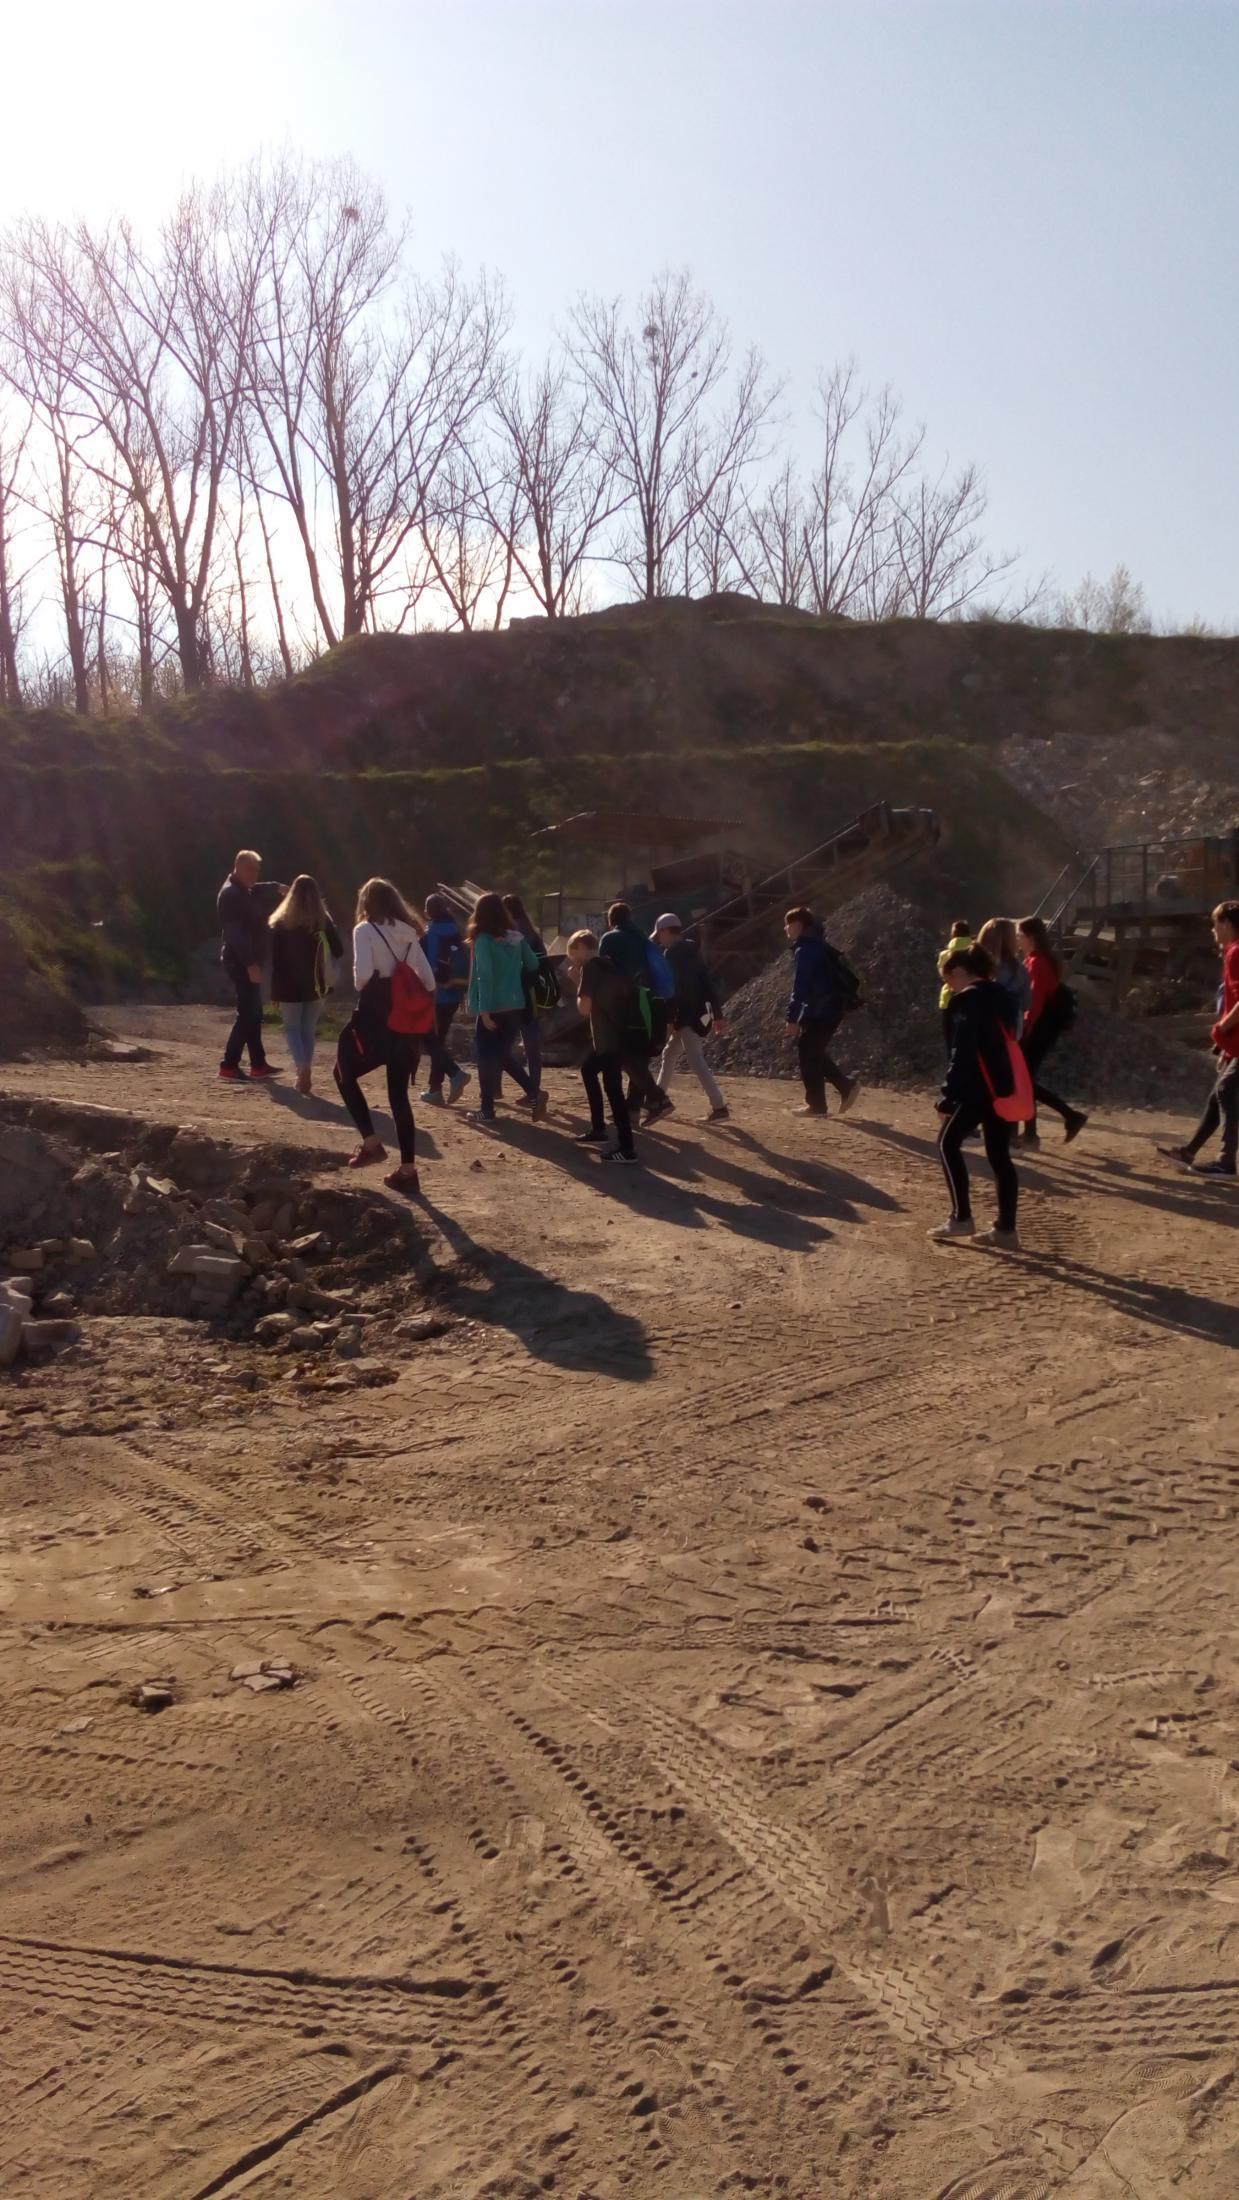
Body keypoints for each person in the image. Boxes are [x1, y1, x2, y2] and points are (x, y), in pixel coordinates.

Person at [334, 877, 435, 1192]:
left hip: (374, 1020)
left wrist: (369, 979)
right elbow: (429, 981)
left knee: (342, 1072)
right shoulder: (409, 934)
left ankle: (371, 1142)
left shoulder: (364, 930)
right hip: (404, 1023)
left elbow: (363, 976)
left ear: (366, 903)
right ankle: (408, 1171)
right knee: (398, 1095)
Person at [930, 944, 1022, 1251]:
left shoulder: (968, 1000)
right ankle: (1006, 1229)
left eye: (948, 981)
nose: (950, 988)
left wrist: (948, 1096)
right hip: (1002, 1086)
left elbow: (963, 1052)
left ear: (959, 972)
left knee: (947, 1145)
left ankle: (961, 1218)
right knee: (999, 1155)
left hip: (978, 1088)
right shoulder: (1003, 996)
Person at [1158, 900, 1239, 1178]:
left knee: (1226, 1090)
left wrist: (1222, 1028)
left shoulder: (1236, 953)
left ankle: (1226, 1162)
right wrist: (1225, 1046)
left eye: (1215, 924)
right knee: (1219, 1094)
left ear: (1226, 924)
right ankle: (1189, 1151)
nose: (1213, 930)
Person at [465, 891, 549, 1125]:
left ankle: (487, 1109)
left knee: (486, 1055)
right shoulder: (516, 937)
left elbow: (484, 977)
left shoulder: (483, 940)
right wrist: (513, 972)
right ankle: (533, 1092)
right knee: (501, 1053)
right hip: (515, 1004)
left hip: (493, 1006)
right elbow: (533, 963)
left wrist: (484, 1011)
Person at [566, 928, 637, 1164]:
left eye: (573, 953)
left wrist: (577, 983)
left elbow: (584, 1008)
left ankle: (627, 1148)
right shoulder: (610, 964)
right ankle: (598, 1129)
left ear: (581, 948)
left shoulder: (590, 967)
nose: (573, 959)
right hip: (619, 1033)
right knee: (588, 1070)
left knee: (614, 1090)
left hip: (607, 1038)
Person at [1016, 916, 1088, 1146]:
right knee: (1025, 1080)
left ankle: (1068, 1117)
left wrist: (1026, 1029)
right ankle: (1035, 1132)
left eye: (1020, 935)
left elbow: (1035, 1000)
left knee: (1024, 1081)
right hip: (1042, 1026)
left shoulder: (1037, 963)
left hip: (1040, 1027)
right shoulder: (1037, 960)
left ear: (1030, 937)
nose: (1017, 939)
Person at [784, 905, 862, 1118]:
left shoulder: (805, 950)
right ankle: (845, 1087)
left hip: (821, 1009)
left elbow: (800, 986)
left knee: (808, 1050)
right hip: (831, 1007)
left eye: (788, 924)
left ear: (799, 925)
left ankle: (818, 1105)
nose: (786, 929)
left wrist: (792, 1017)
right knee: (813, 1050)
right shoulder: (818, 945)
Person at [268, 875, 343, 1095]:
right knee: (308, 1029)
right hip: (316, 983)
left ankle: (302, 1067)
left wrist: (274, 990)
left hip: (288, 985)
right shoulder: (322, 921)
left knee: (292, 1028)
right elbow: (339, 950)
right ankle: (305, 1069)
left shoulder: (281, 922)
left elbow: (276, 960)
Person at [651, 913, 731, 1120]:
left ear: (665, 931)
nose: (659, 938)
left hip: (685, 1016)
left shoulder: (672, 955)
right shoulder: (693, 952)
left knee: (695, 1059)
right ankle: (656, 1099)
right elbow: (707, 984)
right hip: (697, 1014)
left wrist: (672, 1021)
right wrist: (717, 1014)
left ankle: (719, 1107)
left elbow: (676, 992)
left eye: (659, 934)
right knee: (670, 1054)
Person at [216, 849, 286, 1082]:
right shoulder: (230, 895)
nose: (254, 875)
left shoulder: (242, 889)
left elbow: (257, 888)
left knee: (254, 1012)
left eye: (257, 870)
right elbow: (235, 935)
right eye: (250, 870)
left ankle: (258, 1064)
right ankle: (229, 1065)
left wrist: (277, 887)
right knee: (248, 1013)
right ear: (238, 867)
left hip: (247, 961)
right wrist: (250, 964)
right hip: (240, 962)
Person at [600, 901, 669, 1122]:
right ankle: (632, 1109)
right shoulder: (642, 938)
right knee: (639, 1055)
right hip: (648, 1002)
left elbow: (603, 973)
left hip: (624, 1005)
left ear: (611, 920)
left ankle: (659, 1099)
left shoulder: (610, 939)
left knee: (624, 1055)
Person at [419, 892, 471, 1107]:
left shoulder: (430, 935)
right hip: (455, 993)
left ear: (427, 912)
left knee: (428, 1039)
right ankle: (435, 1090)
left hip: (436, 995)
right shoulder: (456, 931)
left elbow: (424, 966)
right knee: (437, 1041)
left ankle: (455, 1073)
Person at [503, 892, 549, 1106]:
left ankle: (497, 1090)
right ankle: (534, 1089)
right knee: (532, 1047)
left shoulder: (511, 934)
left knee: (501, 1046)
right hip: (533, 993)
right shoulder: (533, 933)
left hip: (514, 994)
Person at [976, 917, 1031, 1038]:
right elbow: (1027, 1003)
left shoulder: (973, 965)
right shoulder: (1018, 969)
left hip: (976, 1028)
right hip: (1007, 1032)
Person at [938, 918, 974, 1051]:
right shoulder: (976, 952)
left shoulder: (944, 955)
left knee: (951, 1042)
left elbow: (943, 976)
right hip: (972, 999)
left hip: (949, 999)